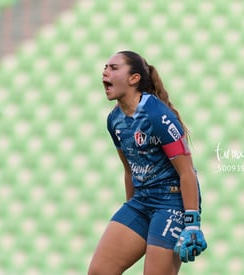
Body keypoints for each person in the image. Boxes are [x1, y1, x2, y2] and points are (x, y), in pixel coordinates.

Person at [88, 50, 207, 275]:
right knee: (99, 271)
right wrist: (131, 214)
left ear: (134, 79)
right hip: (142, 202)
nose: (105, 72)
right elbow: (129, 170)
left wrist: (192, 223)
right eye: (105, 67)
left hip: (171, 203)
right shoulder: (114, 121)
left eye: (114, 68)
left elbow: (187, 172)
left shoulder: (157, 115)